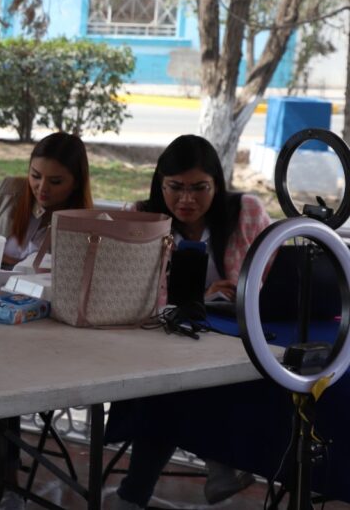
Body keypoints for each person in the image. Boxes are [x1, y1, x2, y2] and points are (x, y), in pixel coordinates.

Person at [113, 135, 271, 510]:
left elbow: (274, 275)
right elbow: (131, 290)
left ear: (217, 184)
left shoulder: (245, 211)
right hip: (162, 340)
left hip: (229, 338)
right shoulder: (142, 218)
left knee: (176, 393)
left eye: (200, 188)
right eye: (175, 187)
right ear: (160, 184)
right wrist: (199, 298)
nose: (187, 199)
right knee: (169, 390)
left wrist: (244, 292)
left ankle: (135, 494)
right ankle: (220, 463)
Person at [0, 131, 93, 268]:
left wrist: (5, 261)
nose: (42, 188)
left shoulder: (84, 232)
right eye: (35, 176)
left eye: (55, 181)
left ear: (76, 182)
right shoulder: (5, 193)